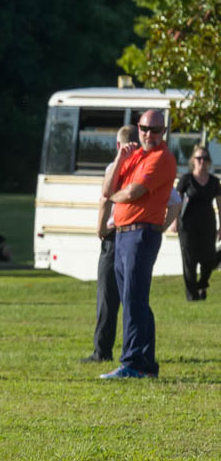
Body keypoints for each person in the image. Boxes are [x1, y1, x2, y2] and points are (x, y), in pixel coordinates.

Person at [97, 109, 178, 379]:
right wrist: (121, 157)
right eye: (145, 128)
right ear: (138, 128)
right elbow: (108, 186)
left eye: (156, 130)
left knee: (133, 299)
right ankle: (145, 363)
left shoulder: (162, 158)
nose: (149, 135)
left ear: (163, 132)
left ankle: (131, 362)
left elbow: (133, 192)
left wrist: (112, 197)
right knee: (136, 299)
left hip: (141, 234)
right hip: (123, 233)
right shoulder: (134, 157)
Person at [82, 125, 138, 364]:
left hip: (115, 234)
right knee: (134, 296)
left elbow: (105, 199)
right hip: (138, 236)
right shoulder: (148, 168)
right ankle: (134, 349)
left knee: (107, 296)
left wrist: (100, 226)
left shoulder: (114, 168)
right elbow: (175, 201)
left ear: (118, 146)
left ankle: (102, 351)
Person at [176, 144, 221, 300]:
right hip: (187, 226)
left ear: (209, 161)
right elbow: (176, 202)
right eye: (199, 158)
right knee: (189, 260)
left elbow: (220, 205)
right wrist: (174, 221)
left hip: (208, 225)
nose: (202, 161)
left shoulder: (214, 182)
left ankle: (202, 283)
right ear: (193, 160)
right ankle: (192, 295)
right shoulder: (186, 180)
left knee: (208, 259)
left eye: (205, 158)